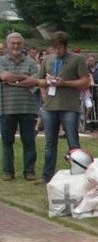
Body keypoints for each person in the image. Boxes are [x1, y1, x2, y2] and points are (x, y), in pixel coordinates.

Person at [34, 31, 91, 184]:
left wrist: (64, 83)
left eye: (59, 48)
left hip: (69, 106)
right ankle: (47, 176)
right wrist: (45, 88)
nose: (57, 51)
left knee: (73, 142)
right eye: (54, 48)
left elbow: (85, 81)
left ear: (66, 46)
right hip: (50, 107)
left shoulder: (77, 59)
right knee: (50, 143)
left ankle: (78, 173)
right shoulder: (47, 60)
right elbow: (39, 80)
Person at [0, 33, 40, 181]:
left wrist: (13, 81)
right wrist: (24, 78)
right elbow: (3, 76)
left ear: (22, 45)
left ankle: (29, 171)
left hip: (27, 108)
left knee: (29, 141)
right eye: (13, 43)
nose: (16, 46)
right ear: (8, 44)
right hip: (6, 108)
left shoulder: (30, 62)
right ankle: (8, 172)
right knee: (7, 142)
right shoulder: (1, 61)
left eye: (18, 43)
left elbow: (34, 80)